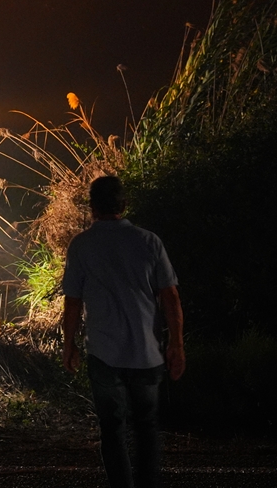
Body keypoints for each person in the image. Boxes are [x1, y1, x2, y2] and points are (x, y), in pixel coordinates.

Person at [62, 175, 185, 488]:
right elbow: (170, 297)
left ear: (92, 208)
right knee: (146, 429)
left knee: (112, 429)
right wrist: (177, 345)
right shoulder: (149, 242)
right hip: (147, 353)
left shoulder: (81, 245)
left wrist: (70, 345)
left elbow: (73, 303)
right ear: (124, 205)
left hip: (104, 355)